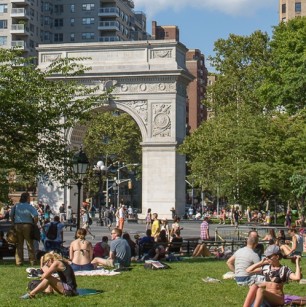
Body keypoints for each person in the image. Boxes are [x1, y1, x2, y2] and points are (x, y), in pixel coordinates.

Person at [9, 192, 39, 266]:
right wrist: (34, 223)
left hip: (17, 225)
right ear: (27, 198)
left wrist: (13, 223)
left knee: (19, 244)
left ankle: (19, 262)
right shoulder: (30, 206)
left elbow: (11, 215)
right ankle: (32, 261)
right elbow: (36, 216)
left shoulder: (16, 206)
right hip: (27, 225)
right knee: (29, 244)